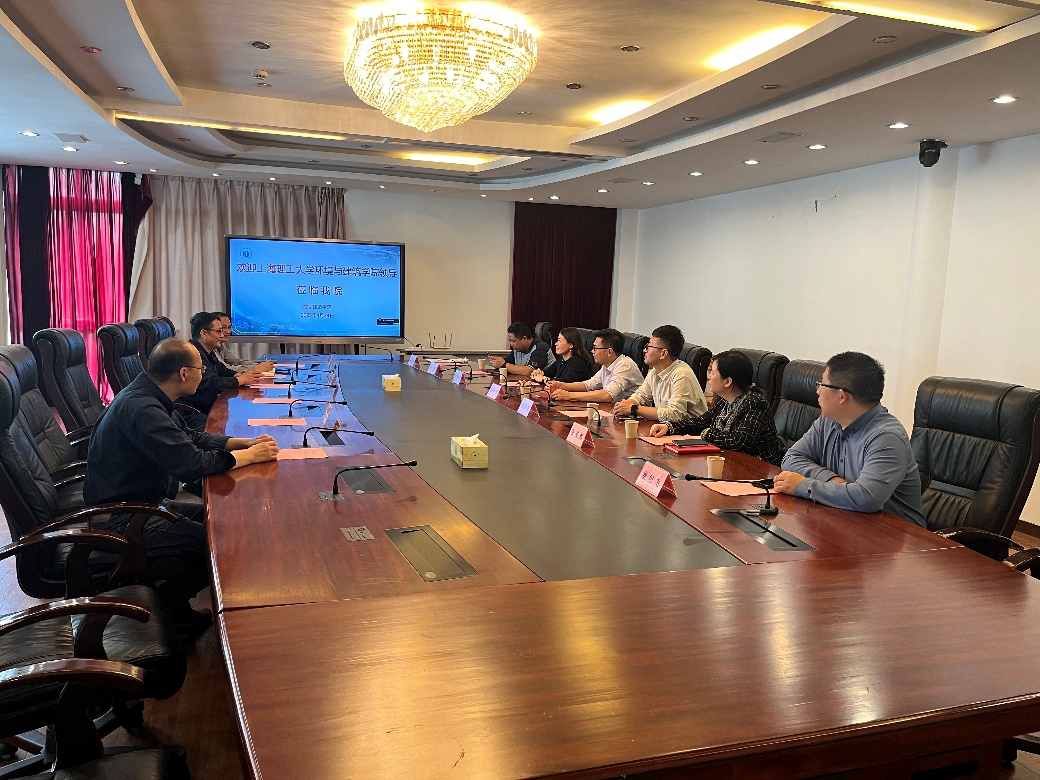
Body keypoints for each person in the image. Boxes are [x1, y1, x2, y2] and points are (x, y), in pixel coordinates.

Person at [84, 338, 280, 632]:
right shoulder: (143, 409)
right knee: (221, 544)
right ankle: (159, 611)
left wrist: (242, 442)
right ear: (184, 374)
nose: (204, 375)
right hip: (121, 517)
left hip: (143, 503)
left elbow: (191, 436)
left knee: (224, 522)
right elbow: (191, 464)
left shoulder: (149, 394)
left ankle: (174, 608)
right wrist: (249, 457)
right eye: (201, 370)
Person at [773, 351, 926, 527]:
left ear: (842, 396)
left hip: (895, 534)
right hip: (845, 520)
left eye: (822, 384)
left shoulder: (886, 437)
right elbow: (792, 458)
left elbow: (866, 498)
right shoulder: (828, 421)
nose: (818, 390)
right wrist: (831, 480)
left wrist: (803, 486)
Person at [649, 350, 785, 466]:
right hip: (729, 462)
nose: (708, 377)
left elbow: (739, 441)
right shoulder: (723, 400)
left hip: (757, 469)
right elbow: (702, 422)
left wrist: (706, 434)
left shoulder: (755, 404)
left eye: (712, 373)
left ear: (728, 381)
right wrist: (670, 427)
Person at [178, 311, 261, 429]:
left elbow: (221, 369)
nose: (222, 336)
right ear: (204, 333)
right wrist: (240, 380)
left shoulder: (207, 351)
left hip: (206, 407)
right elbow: (210, 382)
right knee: (229, 429)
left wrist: (238, 375)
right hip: (192, 413)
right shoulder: (192, 353)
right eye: (219, 331)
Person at [612, 325, 706, 423]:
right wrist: (625, 405)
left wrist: (634, 409)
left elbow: (673, 415)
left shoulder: (682, 375)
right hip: (665, 427)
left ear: (663, 353)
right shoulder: (655, 371)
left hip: (688, 431)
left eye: (649, 346)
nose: (645, 350)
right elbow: (641, 396)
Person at [546, 328, 644, 403]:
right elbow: (589, 385)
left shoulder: (625, 365)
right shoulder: (607, 365)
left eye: (595, 348)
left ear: (609, 352)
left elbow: (607, 395)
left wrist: (569, 395)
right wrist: (561, 385)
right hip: (614, 410)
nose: (592, 351)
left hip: (632, 417)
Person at [488, 322, 555, 377]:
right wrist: (497, 362)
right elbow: (507, 362)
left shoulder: (541, 348)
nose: (511, 344)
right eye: (510, 341)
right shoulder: (517, 349)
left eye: (514, 341)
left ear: (524, 339)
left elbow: (529, 371)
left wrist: (503, 365)